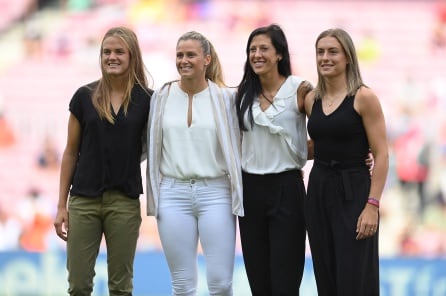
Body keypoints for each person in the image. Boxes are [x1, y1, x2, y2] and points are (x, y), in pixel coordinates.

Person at [53, 26, 153, 295]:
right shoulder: (83, 96)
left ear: (132, 56)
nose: (112, 56)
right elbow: (70, 152)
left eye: (119, 51)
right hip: (83, 201)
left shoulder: (148, 100)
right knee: (78, 286)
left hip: (124, 202)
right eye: (106, 51)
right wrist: (62, 205)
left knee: (121, 287)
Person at [146, 31, 243, 295]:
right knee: (182, 285)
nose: (184, 60)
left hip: (216, 193)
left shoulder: (226, 99)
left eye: (191, 55)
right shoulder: (161, 97)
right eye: (180, 55)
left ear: (207, 59)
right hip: (172, 194)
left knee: (221, 283)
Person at [304, 28, 389, 296]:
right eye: (320, 52)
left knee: (354, 277)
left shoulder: (364, 97)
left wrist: (372, 206)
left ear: (348, 57)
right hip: (318, 190)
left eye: (332, 51)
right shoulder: (310, 99)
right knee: (325, 274)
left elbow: (382, 154)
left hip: (353, 191)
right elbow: (318, 146)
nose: (325, 58)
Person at [235, 23, 312, 295]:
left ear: (279, 54)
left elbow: (325, 132)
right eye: (252, 49)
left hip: (287, 188)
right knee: (258, 279)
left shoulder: (300, 89)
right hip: (250, 190)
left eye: (263, 48)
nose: (256, 54)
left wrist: (301, 152)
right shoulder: (242, 94)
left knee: (286, 278)